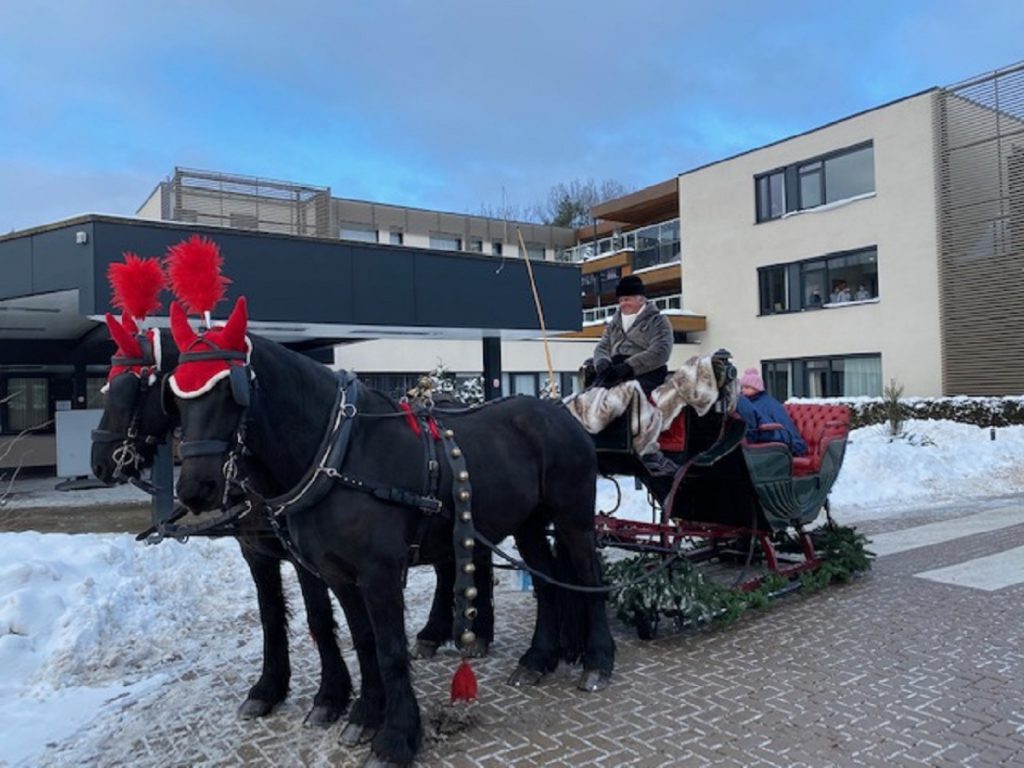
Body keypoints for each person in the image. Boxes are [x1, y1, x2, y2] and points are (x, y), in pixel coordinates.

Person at [583, 274, 673, 395]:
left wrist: (629, 367)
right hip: (614, 371)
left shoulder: (657, 321)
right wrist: (602, 362)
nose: (623, 304)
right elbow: (603, 346)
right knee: (592, 394)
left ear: (641, 299)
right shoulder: (614, 324)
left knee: (623, 396)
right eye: (620, 300)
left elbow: (660, 351)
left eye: (627, 299)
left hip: (646, 372)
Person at [734, 368, 808, 456]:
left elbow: (781, 423)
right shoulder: (746, 403)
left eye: (747, 387)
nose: (743, 390)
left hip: (777, 438)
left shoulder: (768, 403)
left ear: (757, 388)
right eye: (742, 387)